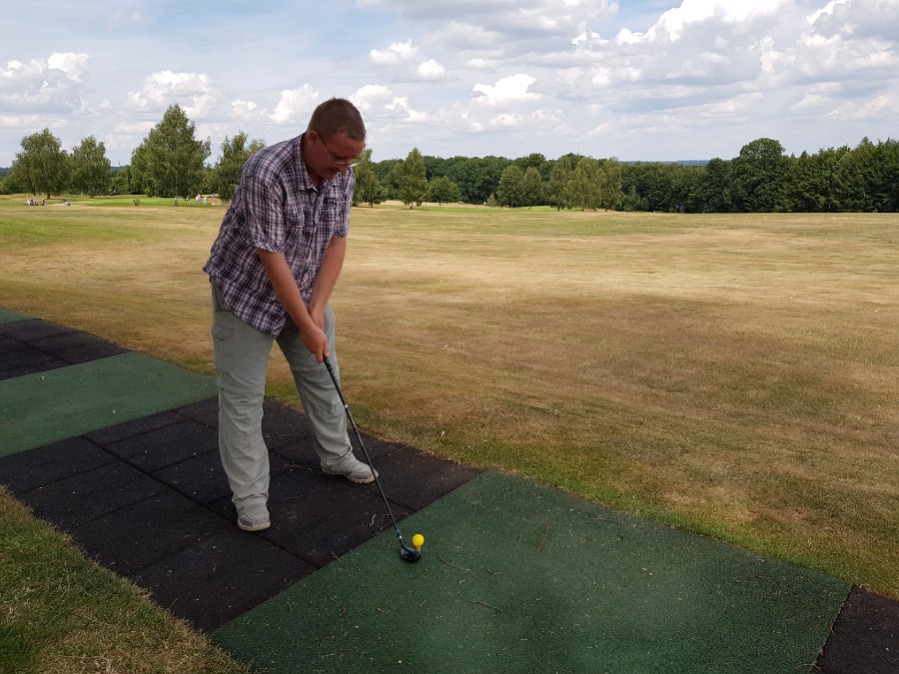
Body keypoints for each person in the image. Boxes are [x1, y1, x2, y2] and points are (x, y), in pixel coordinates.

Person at [203, 97, 374, 532]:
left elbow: (337, 241)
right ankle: (250, 498)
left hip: (305, 288)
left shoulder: (342, 174)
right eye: (338, 158)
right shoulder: (265, 171)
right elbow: (270, 256)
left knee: (324, 378)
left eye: (352, 161)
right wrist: (306, 324)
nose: (344, 169)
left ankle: (337, 457)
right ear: (313, 138)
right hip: (245, 294)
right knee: (243, 399)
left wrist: (316, 311)